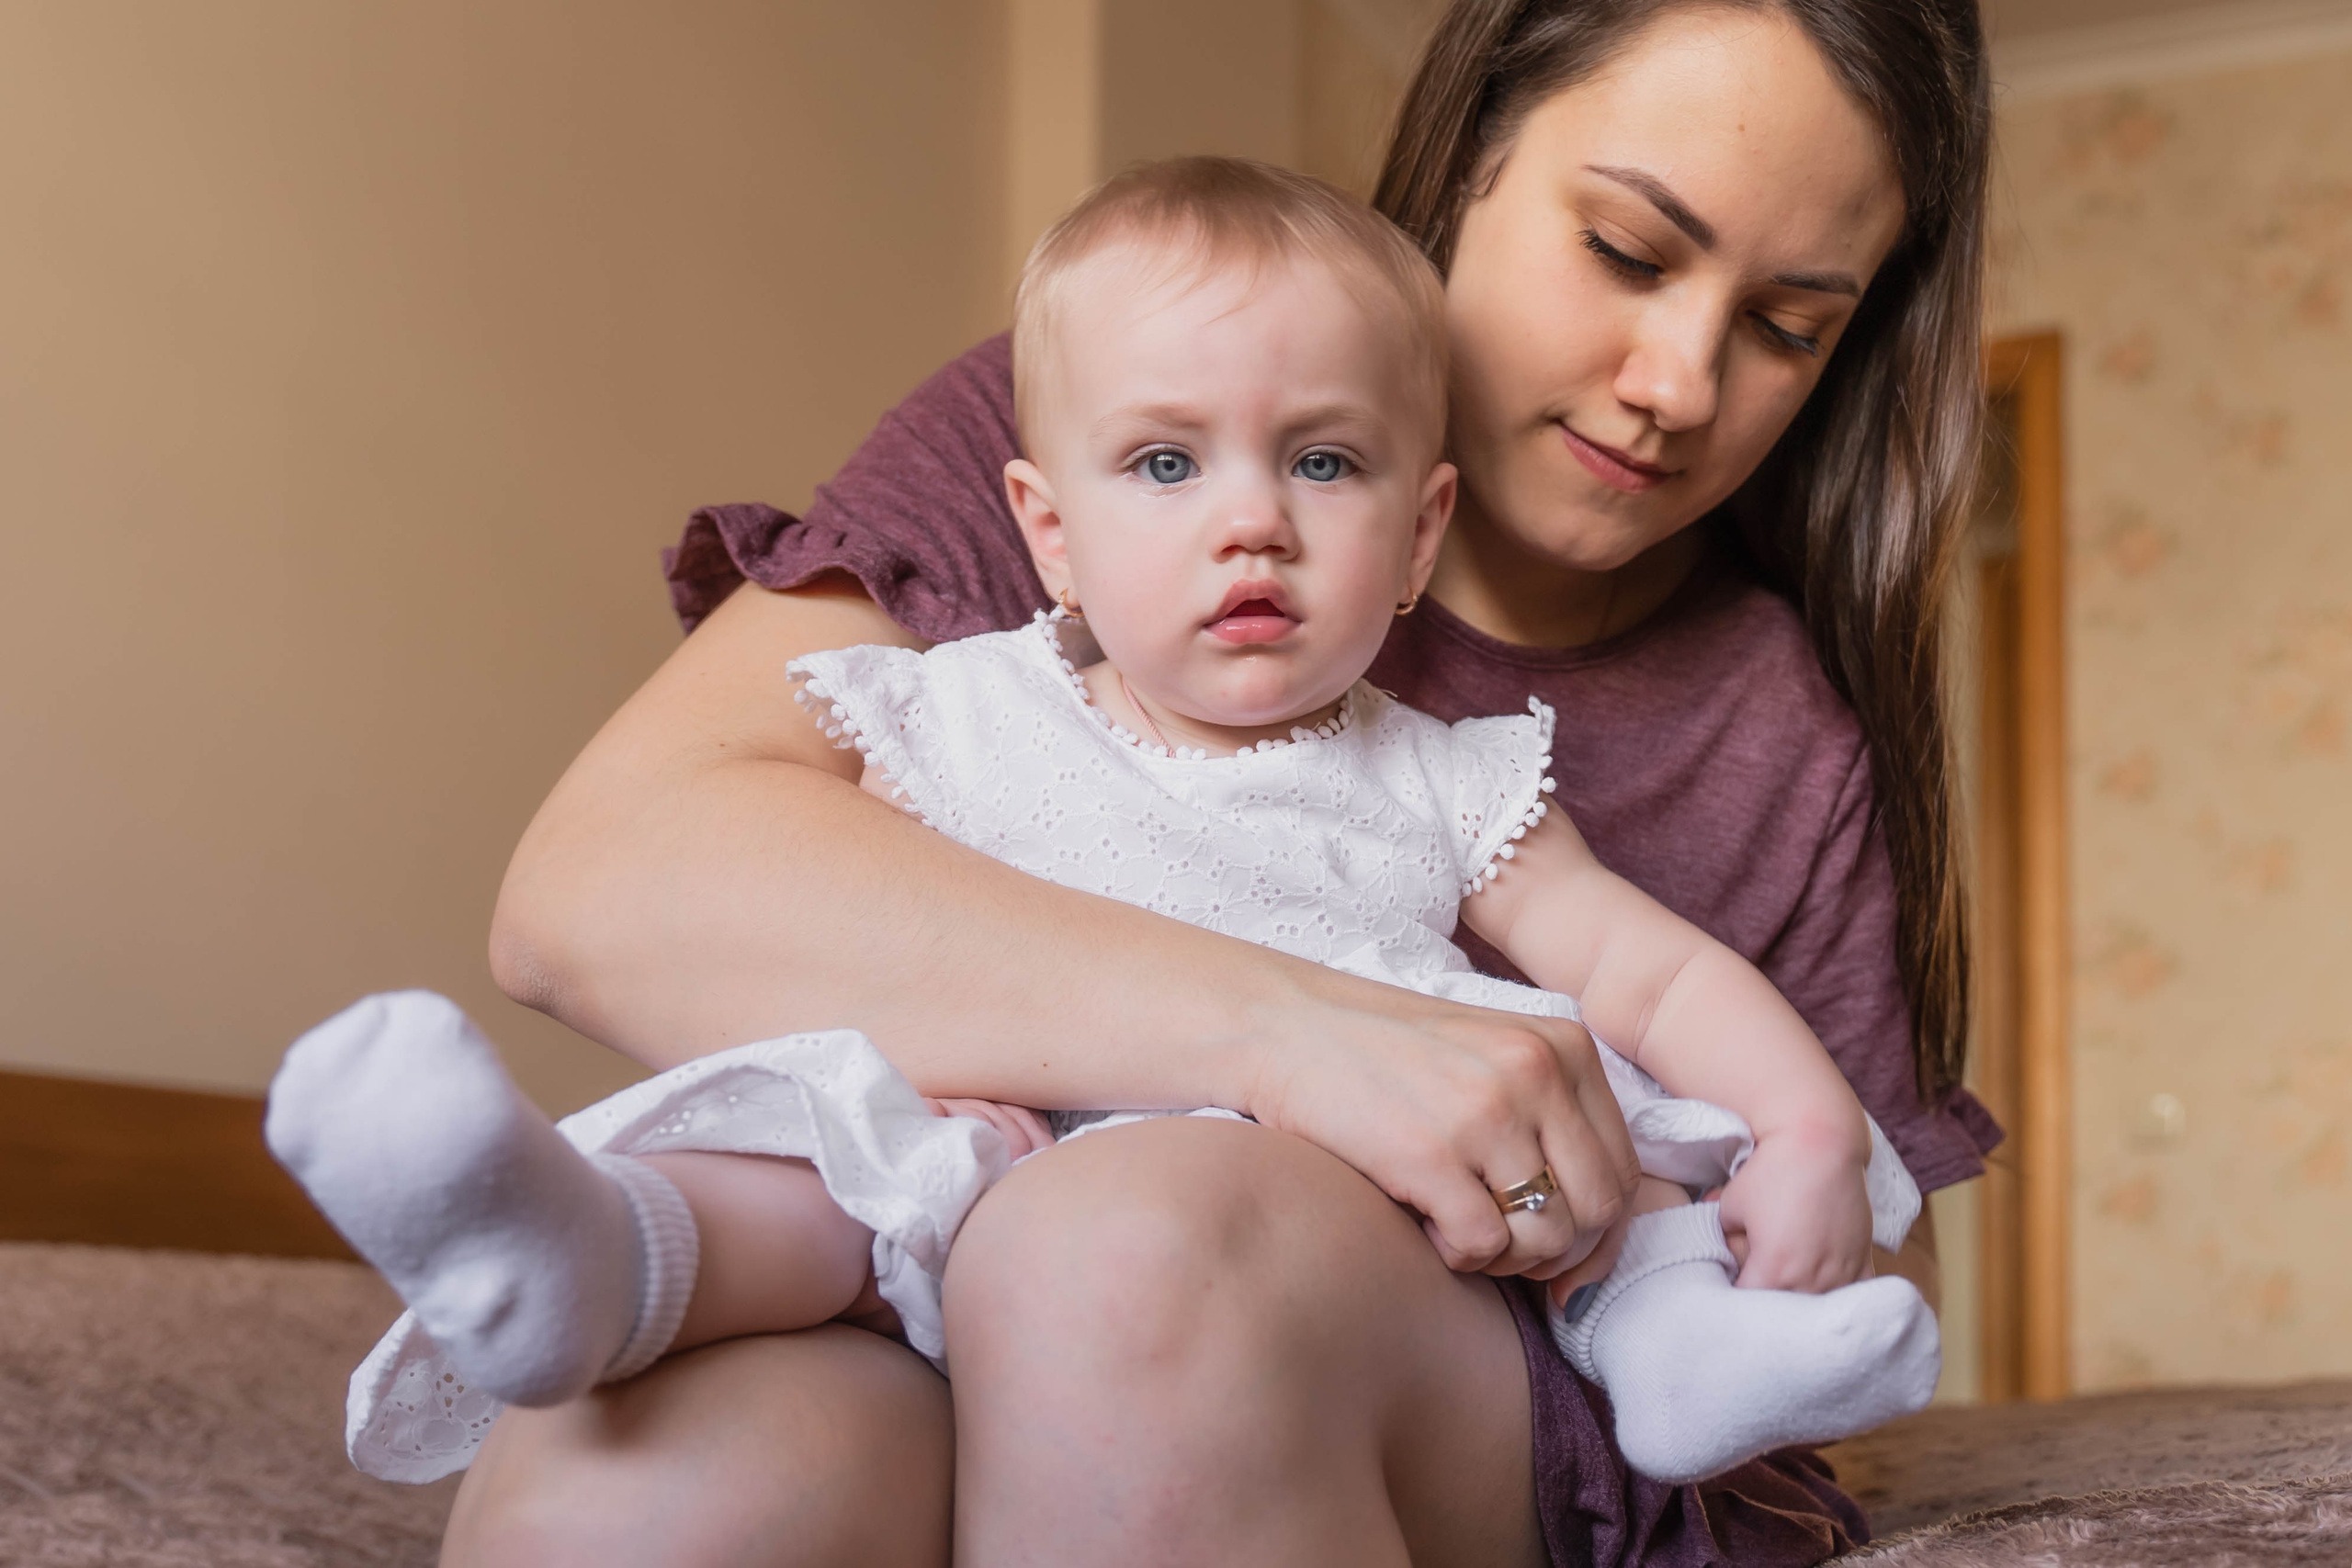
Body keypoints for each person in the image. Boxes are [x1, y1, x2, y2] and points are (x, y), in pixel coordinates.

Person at [446, 3, 1999, 1563]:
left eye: (1790, 326)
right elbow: (595, 895)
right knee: (633, 1479)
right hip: (934, 1246)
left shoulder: (1761, 724)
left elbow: (1866, 1289)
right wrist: (1299, 1037)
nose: (1677, 380)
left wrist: (1680, 1218)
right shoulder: (1111, 401)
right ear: (1465, 165)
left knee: (1125, 1260)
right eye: (1626, 249)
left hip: (1461, 1363)